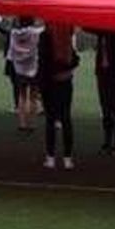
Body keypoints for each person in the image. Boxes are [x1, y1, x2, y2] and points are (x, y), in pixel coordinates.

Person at [39, 23, 79, 169]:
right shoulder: (66, 35)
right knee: (66, 118)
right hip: (65, 82)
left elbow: (42, 61)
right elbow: (75, 59)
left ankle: (50, 157)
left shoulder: (45, 36)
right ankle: (67, 158)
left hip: (49, 83)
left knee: (50, 120)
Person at [6, 17, 44, 133]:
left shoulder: (13, 33)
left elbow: (11, 53)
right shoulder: (35, 33)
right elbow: (44, 28)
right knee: (33, 96)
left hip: (19, 69)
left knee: (21, 96)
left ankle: (22, 123)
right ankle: (31, 123)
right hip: (33, 67)